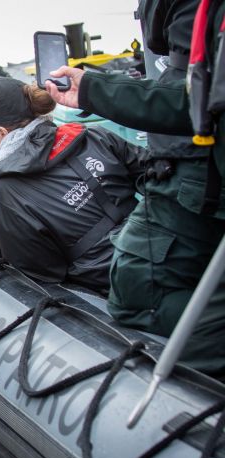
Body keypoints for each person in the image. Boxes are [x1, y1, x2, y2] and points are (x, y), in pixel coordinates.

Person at [45, 0, 225, 376]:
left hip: (200, 181)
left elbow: (196, 99)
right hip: (193, 173)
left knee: (137, 290)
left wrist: (95, 89)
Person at [0, 77, 145, 292]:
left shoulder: (6, 192)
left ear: (1, 133)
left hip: (118, 289)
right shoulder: (91, 135)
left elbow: (40, 274)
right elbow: (155, 176)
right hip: (164, 251)